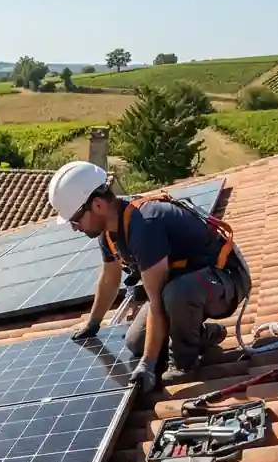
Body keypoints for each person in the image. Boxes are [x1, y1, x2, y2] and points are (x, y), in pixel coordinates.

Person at [46, 161, 250, 393]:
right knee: (136, 342)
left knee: (176, 294)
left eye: (75, 219)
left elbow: (156, 301)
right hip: (185, 284)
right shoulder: (109, 233)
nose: (75, 227)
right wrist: (93, 323)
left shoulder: (144, 225)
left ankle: (185, 362)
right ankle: (202, 335)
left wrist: (148, 365)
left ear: (98, 204)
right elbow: (109, 279)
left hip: (225, 279)